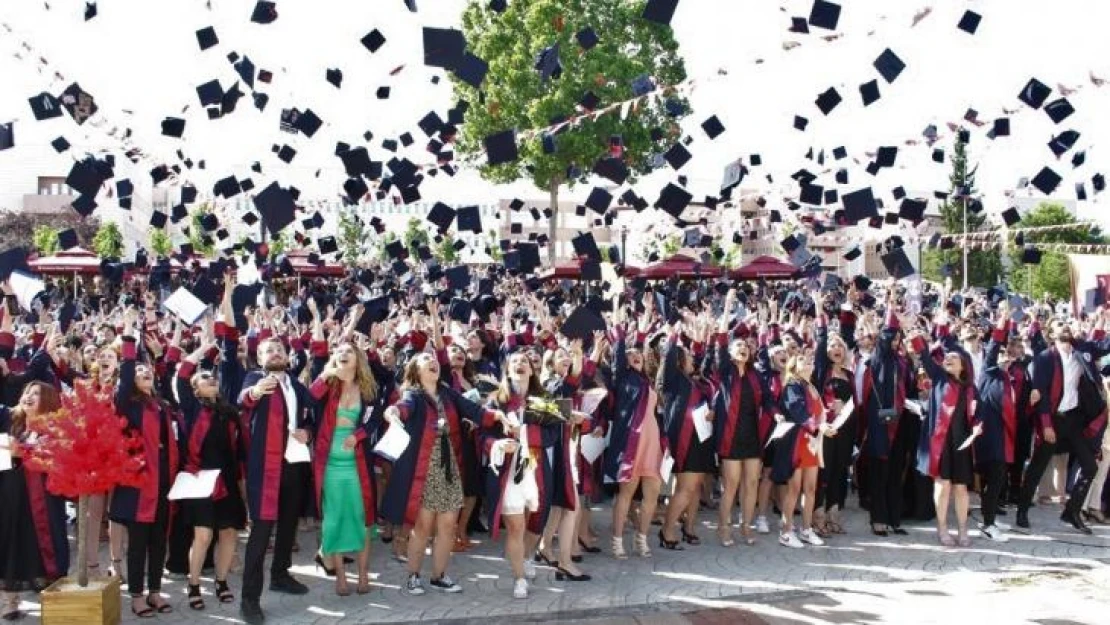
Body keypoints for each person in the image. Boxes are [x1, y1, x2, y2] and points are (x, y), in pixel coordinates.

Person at [381, 352, 502, 596]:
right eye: (425, 358)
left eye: (433, 358)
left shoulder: (448, 394)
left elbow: (475, 412)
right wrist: (392, 414)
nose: (432, 360)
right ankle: (413, 576)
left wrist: (499, 415)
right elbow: (402, 409)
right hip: (424, 470)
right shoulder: (413, 395)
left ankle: (439, 576)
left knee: (447, 526)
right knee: (423, 527)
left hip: (450, 469)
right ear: (416, 370)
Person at [238, 336, 314, 625]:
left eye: (280, 349)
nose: (275, 353)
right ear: (259, 358)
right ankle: (249, 600)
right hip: (265, 467)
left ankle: (280, 575)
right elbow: (243, 398)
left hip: (294, 464)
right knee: (261, 532)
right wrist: (256, 391)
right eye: (269, 350)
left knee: (288, 522)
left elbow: (311, 414)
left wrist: (307, 431)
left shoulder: (295, 384)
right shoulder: (256, 377)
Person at [175, 310, 246, 610]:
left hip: (226, 479)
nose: (210, 380)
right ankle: (193, 585)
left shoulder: (228, 411)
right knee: (203, 535)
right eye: (204, 379)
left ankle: (220, 581)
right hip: (199, 478)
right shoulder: (191, 407)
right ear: (195, 389)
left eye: (212, 378)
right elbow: (183, 372)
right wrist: (205, 346)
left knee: (229, 532)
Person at [111, 310, 179, 618]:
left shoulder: (162, 403)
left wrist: (159, 358)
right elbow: (125, 376)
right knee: (137, 544)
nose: (145, 373)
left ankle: (154, 591)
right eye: (140, 372)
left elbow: (167, 379)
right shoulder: (128, 402)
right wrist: (128, 334)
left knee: (158, 541)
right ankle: (136, 595)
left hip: (164, 481)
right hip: (139, 484)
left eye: (147, 370)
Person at [308, 305, 380, 597]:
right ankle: (340, 574)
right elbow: (311, 397)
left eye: (348, 351)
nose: (343, 353)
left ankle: (363, 575)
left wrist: (359, 434)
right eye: (338, 352)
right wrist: (327, 373)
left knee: (362, 519)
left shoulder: (367, 388)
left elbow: (375, 418)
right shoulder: (328, 384)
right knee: (333, 519)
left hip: (357, 463)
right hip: (329, 465)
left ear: (357, 359)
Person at [1016, 313, 1110, 534]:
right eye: (1060, 325)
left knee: (1090, 466)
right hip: (1053, 420)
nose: (1065, 327)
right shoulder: (1044, 359)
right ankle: (1022, 511)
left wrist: (1103, 321)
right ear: (1051, 334)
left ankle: (1072, 512)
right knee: (1037, 467)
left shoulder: (1081, 351)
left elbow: (1103, 345)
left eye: (1067, 324)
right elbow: (1042, 396)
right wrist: (1046, 425)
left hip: (1075, 420)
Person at [910, 313, 980, 547]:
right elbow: (922, 351)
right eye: (946, 357)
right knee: (943, 485)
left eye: (953, 357)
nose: (947, 358)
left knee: (961, 488)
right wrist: (912, 328)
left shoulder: (970, 388)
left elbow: (978, 414)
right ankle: (942, 529)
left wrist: (978, 428)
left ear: (963, 366)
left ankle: (962, 530)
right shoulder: (939, 377)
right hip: (939, 443)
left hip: (961, 443)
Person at [0, 382, 68, 621]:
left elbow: (54, 458)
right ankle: (9, 601)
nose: (29, 396)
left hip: (43, 500)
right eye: (28, 391)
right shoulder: (9, 419)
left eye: (37, 394)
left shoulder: (55, 427)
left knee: (42, 548)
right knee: (9, 547)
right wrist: (8, 453)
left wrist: (24, 452)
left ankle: (54, 599)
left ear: (48, 400)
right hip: (9, 497)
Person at [713, 289, 776, 546]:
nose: (743, 348)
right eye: (738, 345)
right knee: (732, 485)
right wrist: (728, 307)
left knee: (752, 483)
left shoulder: (756, 375)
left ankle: (746, 526)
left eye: (745, 346)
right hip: (730, 437)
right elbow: (719, 340)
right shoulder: (726, 372)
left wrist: (777, 414)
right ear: (730, 352)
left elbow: (768, 400)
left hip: (752, 436)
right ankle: (723, 527)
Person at [605, 298, 665, 560]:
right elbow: (619, 352)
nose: (635, 355)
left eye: (638, 353)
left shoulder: (645, 380)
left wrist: (648, 312)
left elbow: (641, 344)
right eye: (630, 354)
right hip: (632, 444)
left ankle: (642, 539)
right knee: (626, 494)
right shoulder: (622, 378)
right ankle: (617, 541)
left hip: (652, 443)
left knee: (652, 493)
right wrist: (619, 313)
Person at [657, 320, 715, 550]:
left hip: (701, 438)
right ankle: (667, 530)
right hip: (684, 439)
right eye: (689, 357)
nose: (694, 360)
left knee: (696, 486)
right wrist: (672, 337)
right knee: (686, 487)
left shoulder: (694, 381)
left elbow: (702, 360)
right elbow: (668, 359)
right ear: (681, 361)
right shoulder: (674, 380)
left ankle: (689, 527)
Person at [773, 349, 828, 548]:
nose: (809, 363)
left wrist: (827, 419)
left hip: (812, 443)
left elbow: (819, 411)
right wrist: (819, 425)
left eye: (810, 360)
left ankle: (806, 529)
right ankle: (786, 532)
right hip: (796, 442)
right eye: (803, 360)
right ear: (794, 367)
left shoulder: (811, 386)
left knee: (810, 488)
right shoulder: (792, 385)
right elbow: (798, 411)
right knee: (794, 488)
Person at [973, 305, 1018, 542]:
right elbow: (993, 347)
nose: (1004, 357)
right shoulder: (989, 372)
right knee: (995, 479)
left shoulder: (1008, 378)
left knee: (999, 481)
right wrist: (1002, 322)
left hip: (1004, 437)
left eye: (1007, 354)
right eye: (1002, 354)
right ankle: (988, 523)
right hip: (990, 437)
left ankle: (989, 517)